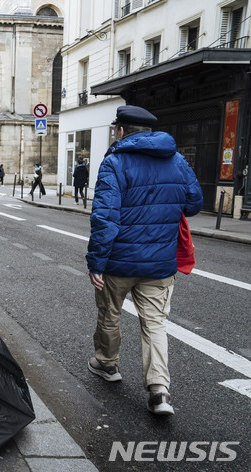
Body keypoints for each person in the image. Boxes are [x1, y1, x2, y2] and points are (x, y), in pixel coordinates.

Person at [86, 105, 203, 416]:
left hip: (119, 262)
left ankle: (108, 365)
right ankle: (159, 390)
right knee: (155, 323)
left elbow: (105, 217)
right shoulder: (177, 160)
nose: (114, 133)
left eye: (116, 129)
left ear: (122, 131)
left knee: (110, 314)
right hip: (160, 262)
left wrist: (96, 261)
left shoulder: (114, 162)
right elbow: (194, 203)